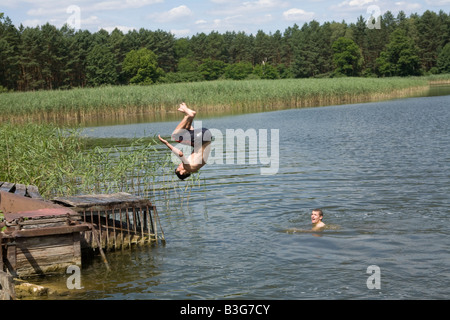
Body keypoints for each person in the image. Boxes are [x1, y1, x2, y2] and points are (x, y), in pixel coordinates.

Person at [158, 103, 212, 180]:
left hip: (206, 134)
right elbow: (180, 153)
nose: (179, 165)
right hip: (202, 138)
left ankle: (190, 114)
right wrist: (166, 143)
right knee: (175, 136)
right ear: (182, 172)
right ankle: (188, 115)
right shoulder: (188, 167)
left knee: (186, 131)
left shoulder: (195, 167)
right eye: (178, 168)